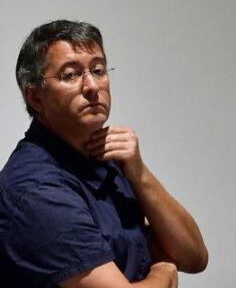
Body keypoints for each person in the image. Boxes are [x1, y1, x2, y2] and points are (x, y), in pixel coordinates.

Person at [0, 20, 208, 287]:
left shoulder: (103, 158)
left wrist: (140, 174)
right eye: (70, 75)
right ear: (36, 98)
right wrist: (164, 273)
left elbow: (193, 257)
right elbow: (170, 262)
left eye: (98, 70)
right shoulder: (36, 190)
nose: (92, 86)